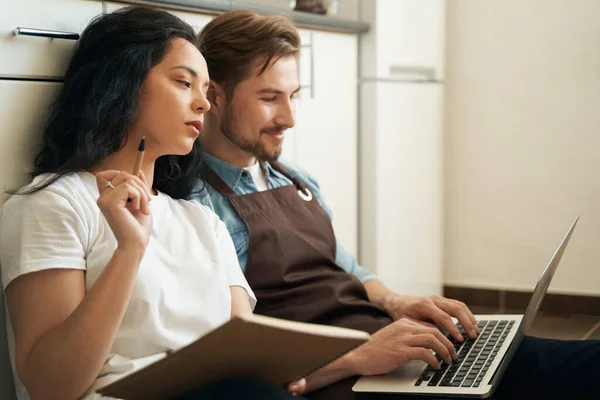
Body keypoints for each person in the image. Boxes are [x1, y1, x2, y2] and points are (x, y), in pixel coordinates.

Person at [193, 9, 600, 400]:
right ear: (214, 96)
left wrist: (396, 301)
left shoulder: (295, 178)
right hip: (348, 378)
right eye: (269, 98)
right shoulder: (196, 207)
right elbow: (233, 359)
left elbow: (344, 267)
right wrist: (359, 356)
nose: (289, 117)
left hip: (391, 348)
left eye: (293, 96)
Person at [0, 7, 306, 400]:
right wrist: (129, 250)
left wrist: (275, 372)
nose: (204, 104)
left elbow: (241, 351)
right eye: (184, 82)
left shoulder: (202, 221)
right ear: (123, 83)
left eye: (205, 89)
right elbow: (51, 388)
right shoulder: (54, 204)